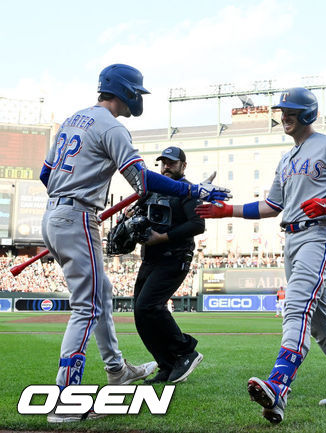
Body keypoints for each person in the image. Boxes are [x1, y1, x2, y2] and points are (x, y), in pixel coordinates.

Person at [39, 64, 229, 423]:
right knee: (88, 307)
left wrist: (71, 193)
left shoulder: (72, 120)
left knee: (102, 294)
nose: (138, 99)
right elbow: (141, 180)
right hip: (77, 217)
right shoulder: (112, 127)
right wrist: (193, 188)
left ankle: (116, 370)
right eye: (136, 92)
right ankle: (66, 400)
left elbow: (46, 175)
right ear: (124, 91)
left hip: (56, 214)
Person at [196, 87, 326, 424]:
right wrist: (227, 211)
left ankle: (279, 383)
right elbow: (271, 206)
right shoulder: (287, 158)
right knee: (318, 319)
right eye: (282, 110)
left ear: (308, 113)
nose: (284, 116)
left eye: (291, 110)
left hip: (319, 233)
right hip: (291, 238)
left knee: (295, 306)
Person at [132, 146, 206, 385]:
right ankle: (166, 364)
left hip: (175, 256)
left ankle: (186, 350)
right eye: (163, 162)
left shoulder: (187, 191)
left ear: (183, 166)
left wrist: (164, 237)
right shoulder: (151, 190)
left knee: (149, 305)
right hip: (151, 257)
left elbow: (197, 225)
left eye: (171, 163)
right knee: (140, 312)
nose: (166, 167)